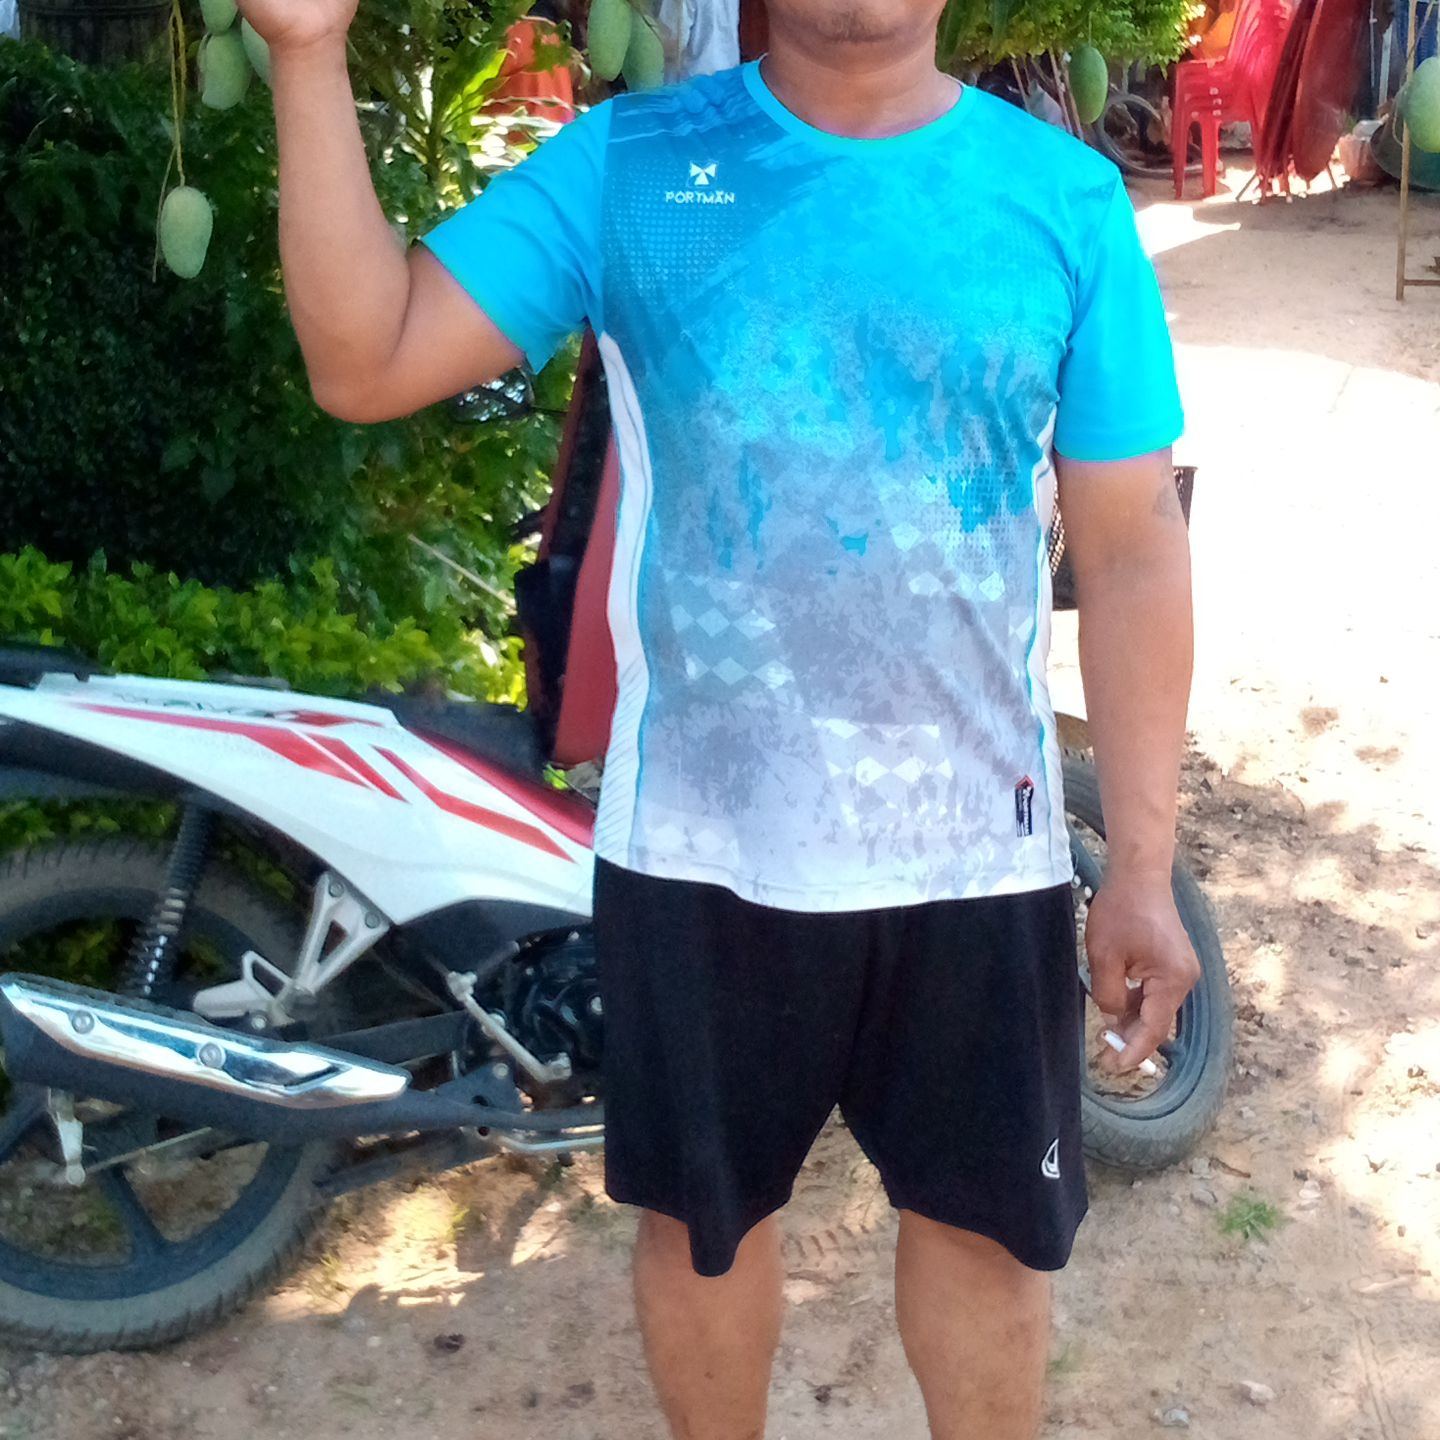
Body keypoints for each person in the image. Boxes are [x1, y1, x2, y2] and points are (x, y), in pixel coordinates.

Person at [237, 0, 1198, 1434]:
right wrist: (308, 52)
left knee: (990, 1243)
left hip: (973, 851)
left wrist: (1141, 868)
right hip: (703, 844)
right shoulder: (633, 170)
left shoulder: (1061, 202)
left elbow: (1130, 552)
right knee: (705, 1230)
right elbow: (365, 358)